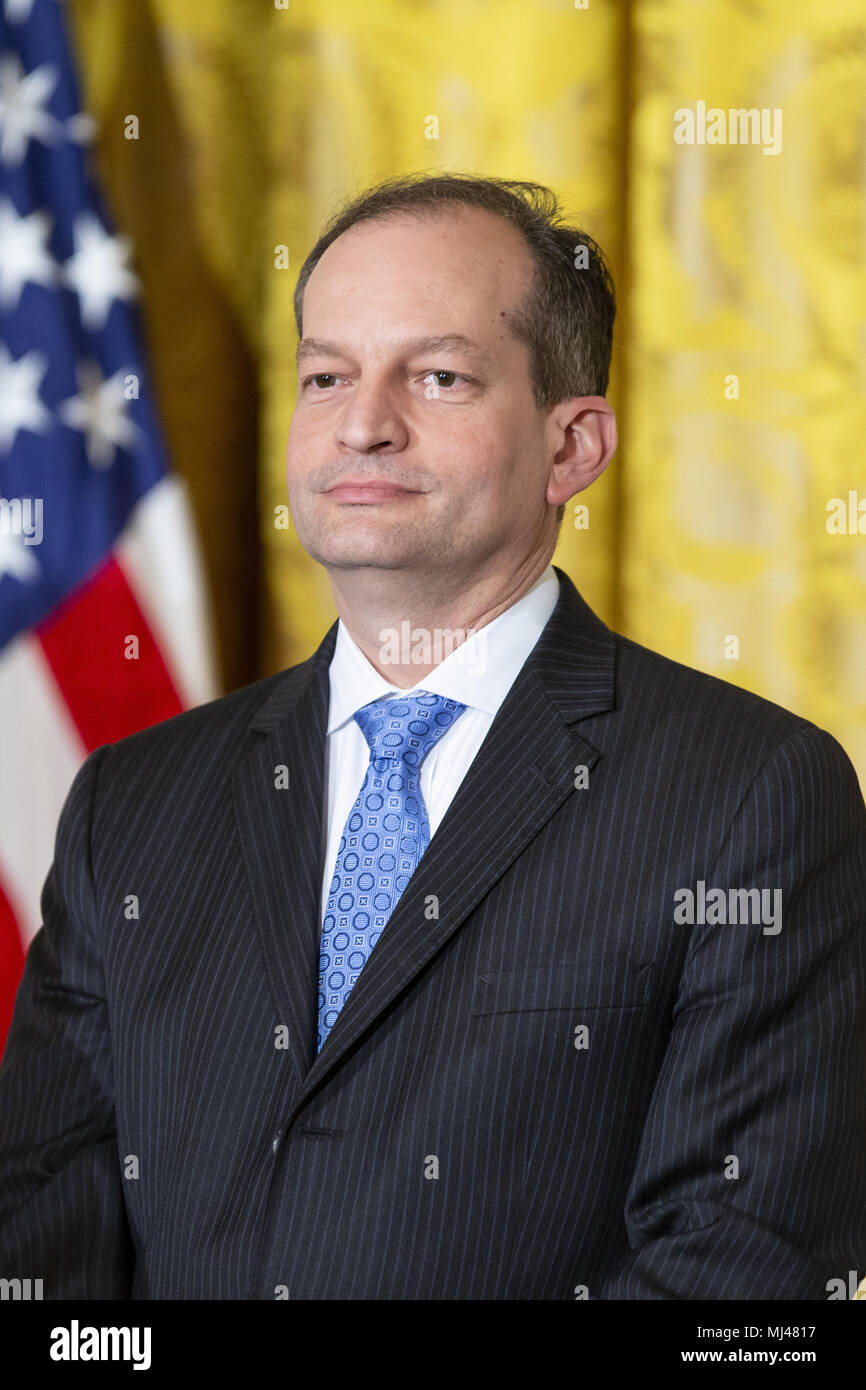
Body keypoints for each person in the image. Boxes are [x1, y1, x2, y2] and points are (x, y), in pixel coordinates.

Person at [1, 172, 864, 1301]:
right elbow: (43, 1245)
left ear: (571, 447)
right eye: (326, 375)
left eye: (438, 375)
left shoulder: (751, 793)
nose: (362, 422)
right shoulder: (133, 799)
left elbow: (738, 1288)